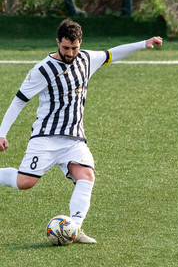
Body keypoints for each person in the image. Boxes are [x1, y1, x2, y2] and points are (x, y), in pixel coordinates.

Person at [0, 19, 163, 243]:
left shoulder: (86, 59)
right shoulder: (42, 70)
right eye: (65, 47)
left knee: (86, 176)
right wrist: (2, 132)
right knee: (24, 182)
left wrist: (143, 43)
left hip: (74, 139)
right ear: (57, 42)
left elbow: (111, 53)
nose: (70, 52)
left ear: (80, 43)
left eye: (74, 47)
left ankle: (74, 228)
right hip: (46, 137)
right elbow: (19, 101)